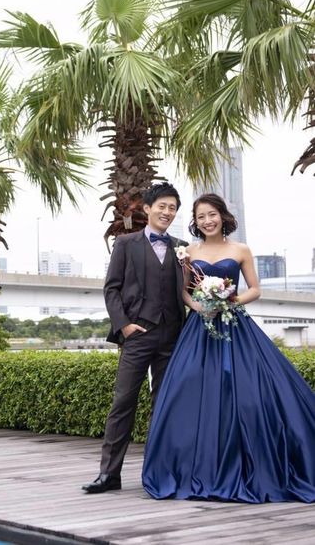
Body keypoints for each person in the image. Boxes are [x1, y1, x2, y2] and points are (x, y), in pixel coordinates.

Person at [142, 193, 315, 503]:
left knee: (249, 393)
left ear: (222, 216)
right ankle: (193, 466)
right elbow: (184, 292)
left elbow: (255, 290)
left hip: (235, 325)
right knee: (188, 390)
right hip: (200, 328)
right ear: (195, 222)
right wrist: (199, 305)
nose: (207, 221)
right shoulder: (188, 252)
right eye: (201, 217)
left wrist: (229, 300)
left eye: (212, 214)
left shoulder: (240, 249)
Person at [82, 182, 188, 494]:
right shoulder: (126, 243)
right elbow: (112, 288)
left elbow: (189, 289)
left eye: (172, 208)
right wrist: (125, 326)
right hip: (138, 334)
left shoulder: (182, 247)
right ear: (147, 208)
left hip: (173, 336)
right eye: (162, 206)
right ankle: (109, 475)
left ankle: (160, 473)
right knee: (123, 402)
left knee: (165, 405)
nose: (167, 212)